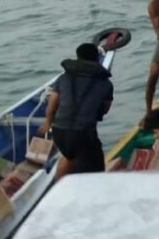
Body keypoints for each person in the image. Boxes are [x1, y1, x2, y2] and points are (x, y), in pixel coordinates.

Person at [37, 42, 114, 180]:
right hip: (83, 134)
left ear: (77, 57)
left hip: (59, 132)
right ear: (97, 59)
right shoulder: (106, 84)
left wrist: (48, 123)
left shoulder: (63, 78)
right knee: (96, 173)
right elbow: (105, 109)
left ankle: (59, 187)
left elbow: (51, 106)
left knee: (70, 157)